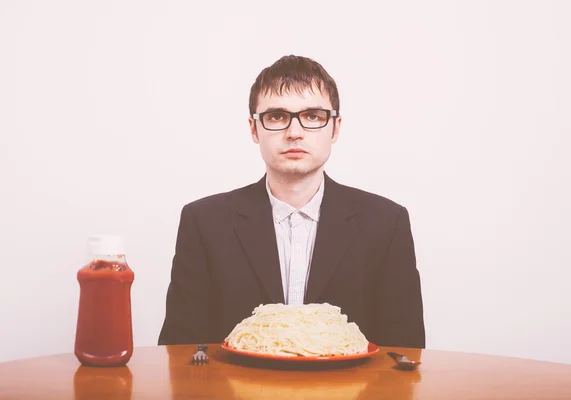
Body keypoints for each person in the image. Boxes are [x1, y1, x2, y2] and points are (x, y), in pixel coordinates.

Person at [158, 55, 425, 348]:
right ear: (253, 129)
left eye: (312, 116)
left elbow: (405, 354)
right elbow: (179, 352)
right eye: (276, 116)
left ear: (335, 128)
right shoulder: (204, 222)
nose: (294, 132)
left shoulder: (387, 223)